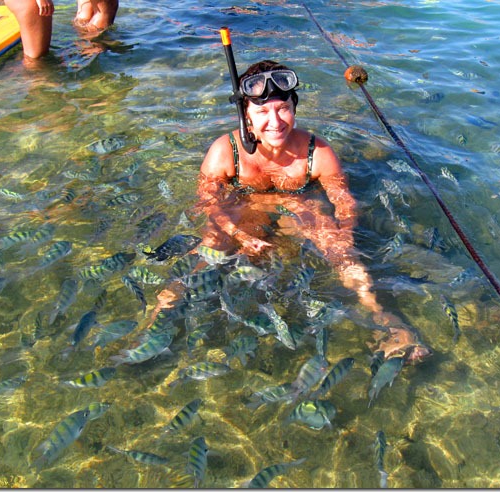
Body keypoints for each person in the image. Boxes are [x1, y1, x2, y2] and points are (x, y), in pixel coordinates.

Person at [156, 60, 432, 364]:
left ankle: (388, 323)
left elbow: (344, 201)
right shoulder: (225, 150)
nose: (274, 121)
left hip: (299, 205)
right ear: (246, 117)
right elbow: (207, 203)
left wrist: (344, 235)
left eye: (282, 108)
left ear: (294, 108)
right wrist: (237, 233)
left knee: (340, 250)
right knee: (209, 246)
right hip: (244, 207)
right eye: (261, 112)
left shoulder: (318, 152)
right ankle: (160, 314)